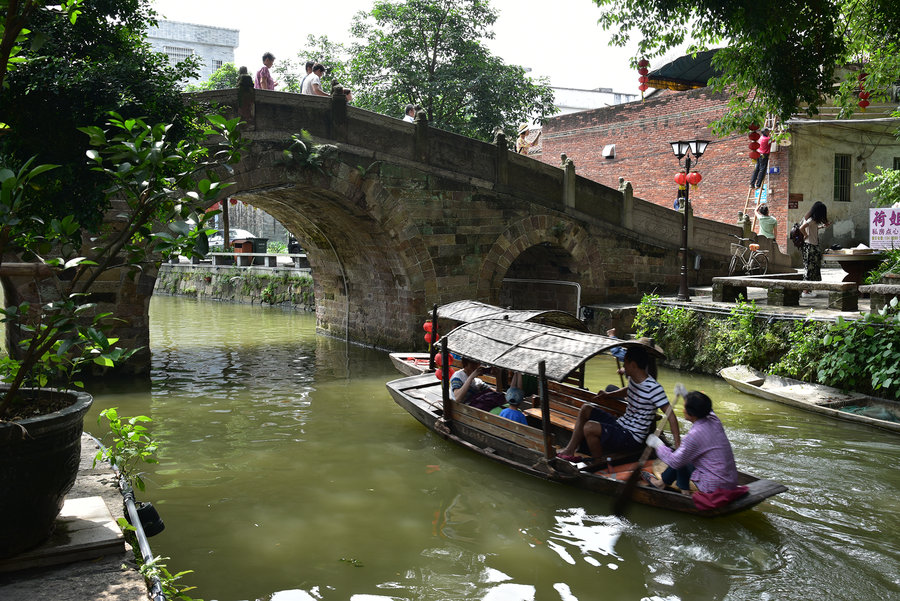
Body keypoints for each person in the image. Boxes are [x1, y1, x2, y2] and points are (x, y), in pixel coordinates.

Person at [556, 346, 680, 462]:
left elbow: (672, 417)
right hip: (621, 424)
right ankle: (570, 450)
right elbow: (628, 390)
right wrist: (608, 394)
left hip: (632, 436)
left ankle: (598, 462)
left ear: (633, 365)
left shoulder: (654, 389)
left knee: (589, 427)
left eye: (625, 362)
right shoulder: (634, 379)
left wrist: (678, 447)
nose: (623, 366)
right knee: (586, 408)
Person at [643, 391, 739, 493]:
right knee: (684, 455)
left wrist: (658, 445)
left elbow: (675, 462)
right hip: (730, 481)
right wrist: (688, 395)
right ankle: (661, 483)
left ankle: (684, 493)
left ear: (692, 414)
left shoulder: (694, 435)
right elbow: (702, 404)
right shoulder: (714, 419)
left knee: (681, 459)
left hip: (713, 487)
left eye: (684, 407)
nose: (683, 410)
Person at [799, 201, 830, 296]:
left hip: (813, 245)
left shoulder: (813, 220)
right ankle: (805, 291)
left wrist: (822, 227)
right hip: (810, 246)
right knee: (809, 268)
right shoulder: (811, 220)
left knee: (813, 269)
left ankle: (808, 290)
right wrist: (805, 235)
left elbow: (813, 228)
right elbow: (801, 228)